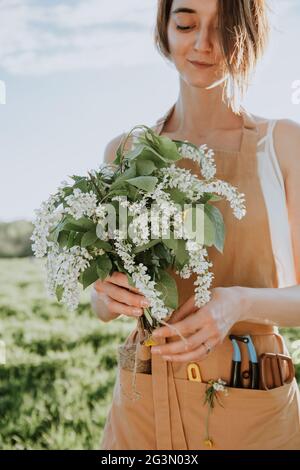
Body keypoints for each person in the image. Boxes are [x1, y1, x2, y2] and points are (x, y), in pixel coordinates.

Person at [91, 0, 300, 450]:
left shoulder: (283, 145)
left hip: (252, 408)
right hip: (142, 408)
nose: (203, 44)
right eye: (185, 23)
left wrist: (237, 303)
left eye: (223, 28)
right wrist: (106, 294)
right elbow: (101, 304)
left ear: (251, 33)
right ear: (164, 29)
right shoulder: (124, 152)